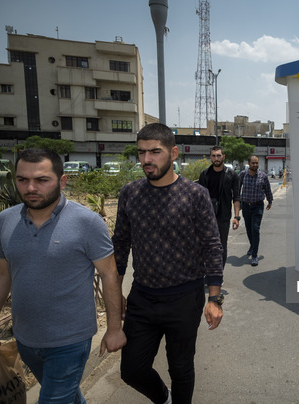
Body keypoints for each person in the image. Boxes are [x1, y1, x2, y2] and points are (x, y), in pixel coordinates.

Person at [0, 148, 126, 403]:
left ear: (62, 181)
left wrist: (114, 328)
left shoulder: (87, 222)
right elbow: (1, 275)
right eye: (22, 180)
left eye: (42, 180)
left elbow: (109, 274)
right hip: (25, 337)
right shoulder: (5, 221)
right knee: (66, 397)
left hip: (70, 340)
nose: (31, 187)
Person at [112, 123, 223, 404]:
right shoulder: (130, 193)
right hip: (143, 297)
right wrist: (115, 296)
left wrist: (214, 298)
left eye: (155, 152)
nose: (147, 160)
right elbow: (121, 246)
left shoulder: (195, 195)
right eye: (141, 153)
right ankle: (164, 398)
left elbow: (212, 246)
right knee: (132, 370)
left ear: (173, 153)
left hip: (184, 298)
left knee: (181, 368)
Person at [198, 146, 241, 269]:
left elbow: (236, 197)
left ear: (223, 156)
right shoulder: (204, 175)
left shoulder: (232, 175)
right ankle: (208, 272)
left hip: (224, 216)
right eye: (213, 156)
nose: (216, 158)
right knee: (206, 245)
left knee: (221, 246)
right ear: (210, 157)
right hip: (207, 217)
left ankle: (218, 274)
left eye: (218, 155)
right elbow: (199, 199)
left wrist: (236, 217)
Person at [239, 155, 273, 266]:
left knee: (255, 229)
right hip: (245, 206)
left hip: (257, 206)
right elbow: (237, 188)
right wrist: (237, 202)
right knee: (248, 229)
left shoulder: (262, 176)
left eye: (257, 163)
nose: (255, 165)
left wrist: (270, 200)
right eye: (253, 163)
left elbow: (267, 189)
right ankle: (252, 246)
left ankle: (254, 255)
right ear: (248, 163)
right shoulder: (243, 175)